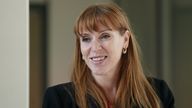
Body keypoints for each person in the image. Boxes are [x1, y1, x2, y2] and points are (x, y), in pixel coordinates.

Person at [42, 2, 175, 108]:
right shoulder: (58, 99)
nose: (94, 47)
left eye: (105, 36)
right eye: (86, 39)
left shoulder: (158, 93)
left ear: (125, 40)